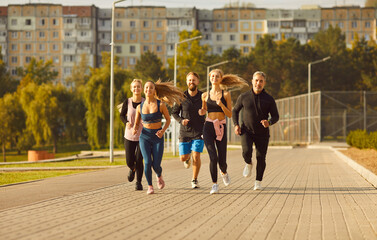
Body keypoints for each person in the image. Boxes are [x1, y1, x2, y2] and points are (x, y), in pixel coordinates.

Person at [199, 69, 248, 194]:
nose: (214, 78)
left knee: (222, 161)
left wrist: (221, 105)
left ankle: (224, 172)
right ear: (210, 77)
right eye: (213, 76)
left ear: (221, 79)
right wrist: (202, 112)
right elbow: (204, 109)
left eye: (217, 76)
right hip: (208, 127)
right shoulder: (204, 95)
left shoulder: (226, 94)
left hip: (221, 127)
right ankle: (214, 184)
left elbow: (230, 114)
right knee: (212, 157)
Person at [133, 80, 184, 195]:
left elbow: (168, 119)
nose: (148, 90)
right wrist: (135, 128)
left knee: (156, 164)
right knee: (147, 162)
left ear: (154, 90)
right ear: (143, 90)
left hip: (157, 136)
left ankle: (159, 175)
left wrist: (162, 131)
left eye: (151, 88)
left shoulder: (160, 104)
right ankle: (150, 186)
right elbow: (137, 123)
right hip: (145, 137)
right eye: (146, 88)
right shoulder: (139, 107)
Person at [232, 71, 279, 190]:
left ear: (264, 83)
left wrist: (269, 122)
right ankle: (248, 163)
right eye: (256, 80)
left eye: (261, 81)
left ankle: (258, 182)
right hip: (246, 131)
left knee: (261, 157)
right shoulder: (244, 96)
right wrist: (236, 125)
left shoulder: (269, 99)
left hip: (262, 134)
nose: (258, 83)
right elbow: (235, 111)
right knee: (246, 151)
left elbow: (276, 116)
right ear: (252, 81)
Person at [172, 72, 205, 189]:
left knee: (197, 156)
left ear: (198, 82)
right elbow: (174, 113)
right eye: (190, 80)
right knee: (183, 158)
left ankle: (194, 180)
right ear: (187, 82)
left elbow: (209, 110)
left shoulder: (203, 96)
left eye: (194, 80)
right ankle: (187, 158)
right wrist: (181, 120)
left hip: (199, 131)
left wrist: (204, 112)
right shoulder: (181, 97)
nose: (192, 82)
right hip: (185, 132)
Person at [120, 79, 144, 191]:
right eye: (134, 87)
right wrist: (126, 122)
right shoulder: (127, 102)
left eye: (138, 86)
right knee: (129, 160)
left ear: (142, 88)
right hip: (129, 135)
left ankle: (138, 183)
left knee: (139, 159)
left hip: (143, 136)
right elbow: (122, 115)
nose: (136, 89)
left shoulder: (145, 102)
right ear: (131, 89)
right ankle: (132, 169)